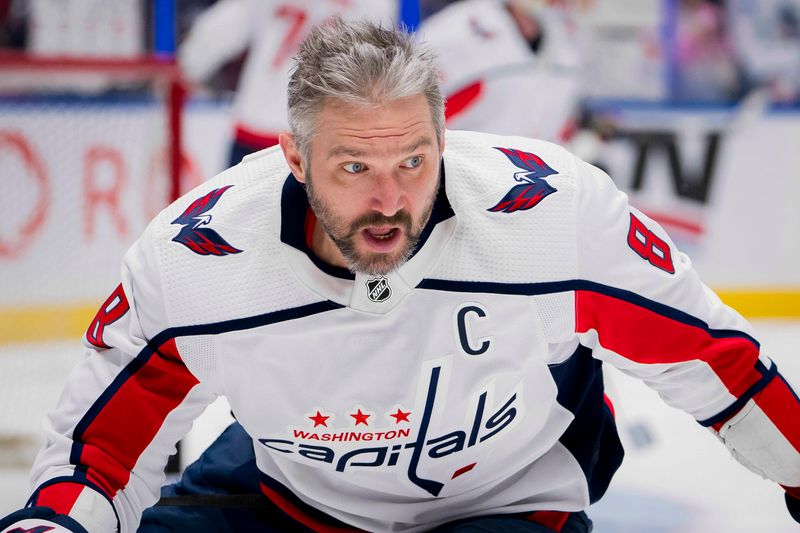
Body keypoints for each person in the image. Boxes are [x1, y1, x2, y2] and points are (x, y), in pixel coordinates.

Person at [1, 18, 799, 533]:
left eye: (413, 161)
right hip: (290, 496)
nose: (390, 202)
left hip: (504, 503)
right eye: (353, 166)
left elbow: (717, 358)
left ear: (444, 140)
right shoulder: (199, 256)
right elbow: (98, 457)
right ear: (294, 157)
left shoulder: (550, 217)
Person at [177, 0, 397, 168]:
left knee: (237, 224)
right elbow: (377, 63)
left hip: (256, 126)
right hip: (320, 132)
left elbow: (217, 30)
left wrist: (188, 68)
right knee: (313, 226)